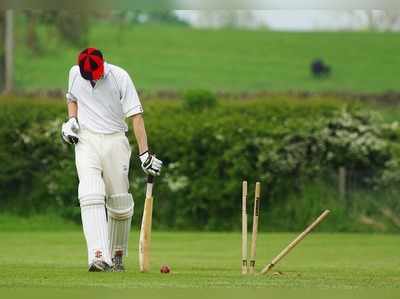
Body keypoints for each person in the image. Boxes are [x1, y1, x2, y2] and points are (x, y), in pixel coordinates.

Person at [61, 48, 162, 272]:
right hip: (86, 140)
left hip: (115, 139)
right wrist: (72, 121)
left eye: (95, 73)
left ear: (102, 65)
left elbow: (136, 116)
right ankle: (98, 256)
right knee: (90, 192)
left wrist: (144, 153)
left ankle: (116, 255)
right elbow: (72, 99)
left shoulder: (120, 77)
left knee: (120, 203)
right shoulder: (75, 73)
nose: (93, 78)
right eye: (89, 74)